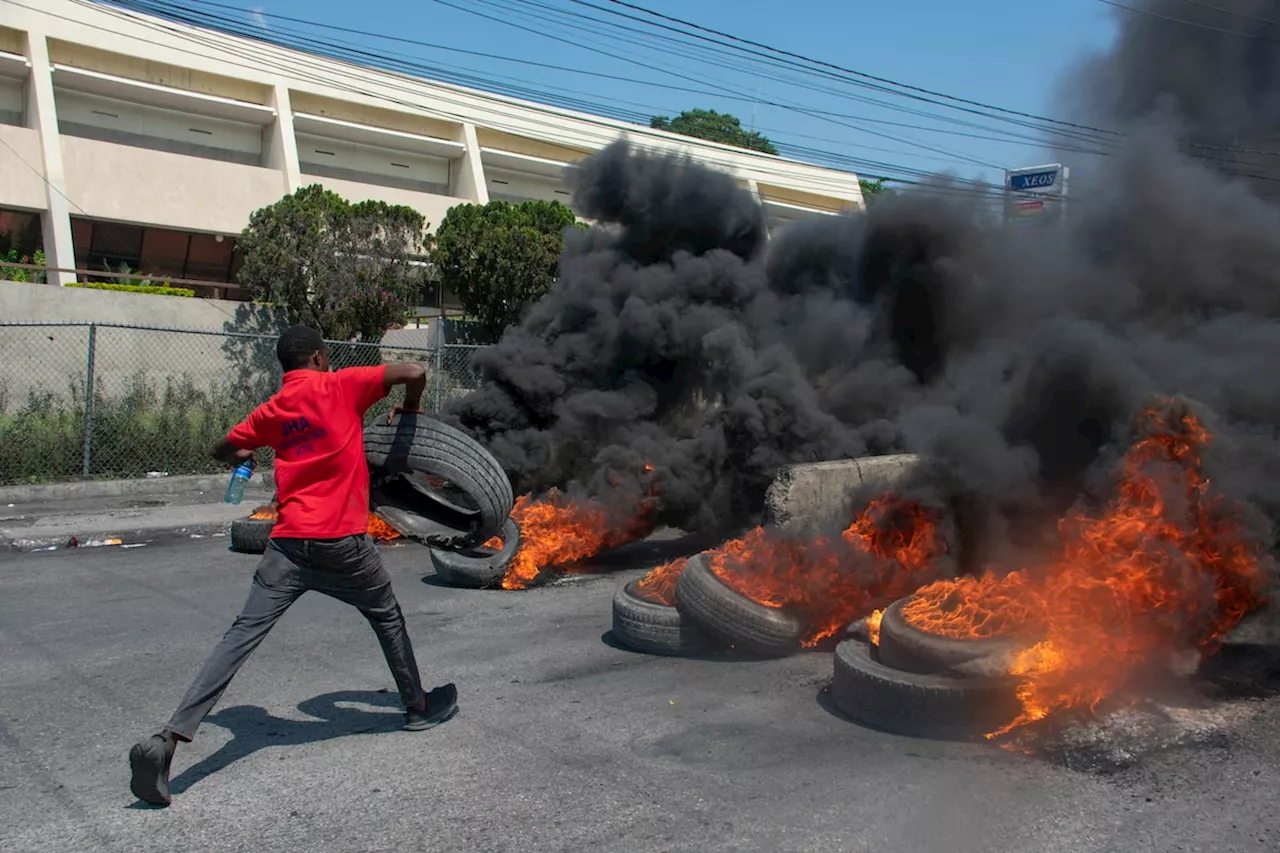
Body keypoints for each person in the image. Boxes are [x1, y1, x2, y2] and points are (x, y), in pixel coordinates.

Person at [128, 324, 457, 808]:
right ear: (321, 358)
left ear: (284, 366)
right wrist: (409, 409)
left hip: (286, 546)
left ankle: (168, 740)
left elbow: (221, 447)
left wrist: (250, 452)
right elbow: (415, 369)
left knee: (239, 637)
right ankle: (417, 707)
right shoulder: (341, 385)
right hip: (342, 542)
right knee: (386, 615)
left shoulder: (272, 411)